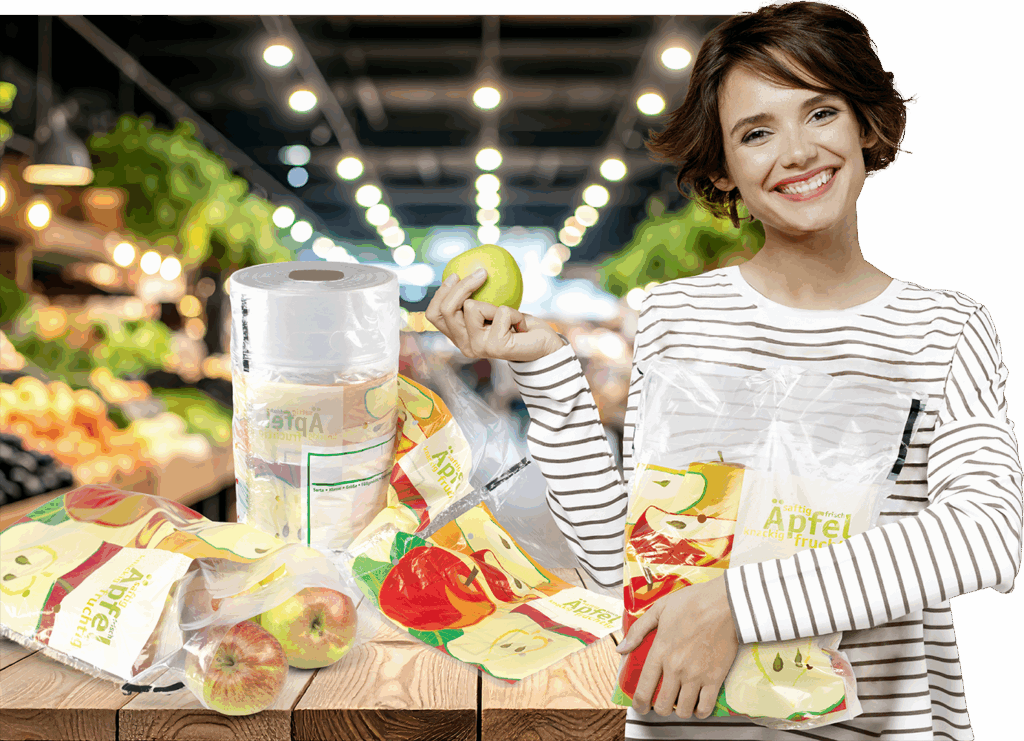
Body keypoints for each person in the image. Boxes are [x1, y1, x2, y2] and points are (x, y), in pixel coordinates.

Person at [424, 1, 1022, 738]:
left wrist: (738, 603)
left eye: (821, 113)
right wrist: (548, 371)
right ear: (726, 168)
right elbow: (627, 567)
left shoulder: (945, 329)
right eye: (757, 132)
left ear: (867, 123)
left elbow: (985, 533)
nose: (796, 151)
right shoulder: (679, 317)